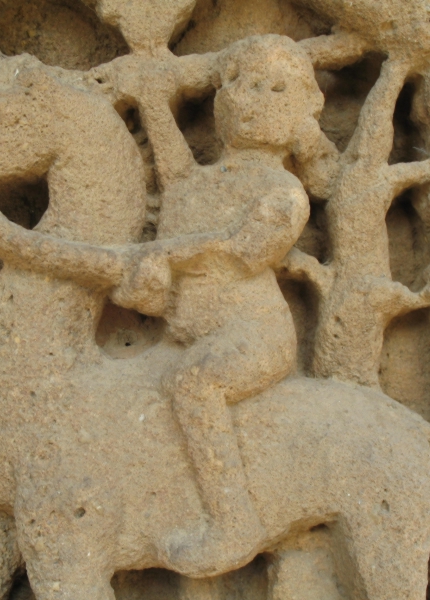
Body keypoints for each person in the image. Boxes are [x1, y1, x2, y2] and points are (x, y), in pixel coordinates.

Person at [109, 35, 327, 572]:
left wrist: (163, 253)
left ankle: (234, 522)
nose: (260, 99)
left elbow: (242, 250)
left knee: (196, 382)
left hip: (255, 336)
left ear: (302, 114)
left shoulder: (283, 191)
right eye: (249, 85)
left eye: (278, 89)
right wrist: (151, 98)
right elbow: (176, 174)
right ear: (223, 100)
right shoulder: (195, 184)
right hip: (183, 330)